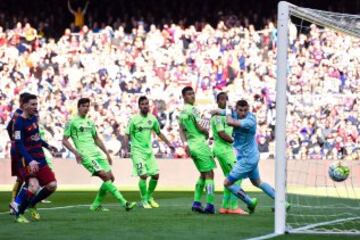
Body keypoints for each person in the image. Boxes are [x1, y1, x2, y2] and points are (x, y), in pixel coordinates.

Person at [62, 98, 136, 212]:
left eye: (88, 106)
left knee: (111, 178)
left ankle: (96, 205)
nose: (86, 108)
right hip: (85, 155)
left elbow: (96, 138)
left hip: (96, 153)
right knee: (104, 176)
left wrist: (107, 153)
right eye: (84, 106)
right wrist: (75, 152)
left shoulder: (90, 122)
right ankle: (124, 203)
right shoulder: (71, 122)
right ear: (79, 107)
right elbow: (64, 140)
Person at [217, 100, 276, 213]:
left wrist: (228, 111)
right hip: (251, 156)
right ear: (236, 109)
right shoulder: (235, 114)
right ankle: (282, 201)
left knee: (227, 183)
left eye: (245, 110)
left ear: (248, 109)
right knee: (258, 182)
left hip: (246, 159)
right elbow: (216, 111)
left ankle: (249, 201)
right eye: (240, 110)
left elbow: (230, 122)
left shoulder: (250, 120)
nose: (243, 113)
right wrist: (221, 110)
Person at [124, 96, 175, 208]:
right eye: (142, 104)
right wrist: (126, 149)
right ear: (139, 106)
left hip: (148, 152)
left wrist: (169, 143)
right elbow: (127, 134)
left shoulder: (152, 119)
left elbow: (159, 132)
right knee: (143, 175)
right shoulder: (134, 120)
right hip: (137, 152)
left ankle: (149, 197)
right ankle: (144, 200)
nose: (145, 106)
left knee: (156, 175)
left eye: (146, 103)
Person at [13, 94, 58, 223]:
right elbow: (19, 144)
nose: (35, 107)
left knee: (52, 185)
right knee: (33, 186)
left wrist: (48, 146)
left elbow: (37, 137)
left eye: (36, 104)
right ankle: (19, 214)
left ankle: (32, 204)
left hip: (41, 158)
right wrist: (30, 160)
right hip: (28, 160)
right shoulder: (19, 123)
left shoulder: (34, 119)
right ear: (24, 105)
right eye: (32, 104)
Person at [178, 86, 216, 214]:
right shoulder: (193, 109)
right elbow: (200, 127)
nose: (192, 96)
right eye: (189, 94)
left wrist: (185, 144)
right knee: (210, 174)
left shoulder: (182, 112)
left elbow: (181, 130)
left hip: (191, 146)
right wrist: (207, 132)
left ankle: (196, 203)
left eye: (193, 94)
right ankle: (210, 205)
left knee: (203, 174)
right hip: (200, 144)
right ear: (184, 96)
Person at [210, 92, 247, 215]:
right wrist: (234, 140)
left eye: (225, 99)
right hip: (224, 150)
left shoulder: (228, 115)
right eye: (221, 99)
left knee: (229, 178)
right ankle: (233, 206)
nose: (223, 101)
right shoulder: (217, 117)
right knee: (238, 176)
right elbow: (222, 134)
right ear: (217, 101)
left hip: (225, 150)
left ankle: (225, 207)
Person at [7, 92, 31, 214]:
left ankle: (17, 203)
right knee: (24, 177)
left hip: (18, 147)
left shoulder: (18, 113)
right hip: (19, 149)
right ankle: (15, 204)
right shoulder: (20, 114)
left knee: (23, 178)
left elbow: (8, 127)